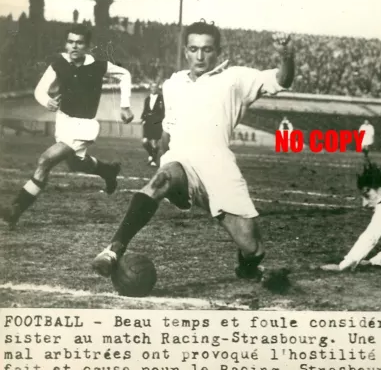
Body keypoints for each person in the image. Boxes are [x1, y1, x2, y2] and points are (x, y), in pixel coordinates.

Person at [92, 21, 295, 287]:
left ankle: (247, 268)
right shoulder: (173, 84)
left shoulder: (236, 78)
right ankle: (112, 250)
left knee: (252, 247)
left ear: (218, 51)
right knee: (160, 180)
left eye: (207, 50)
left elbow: (282, 80)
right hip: (182, 164)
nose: (200, 56)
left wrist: (286, 55)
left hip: (218, 168)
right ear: (186, 51)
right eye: (193, 49)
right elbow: (169, 129)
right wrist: (163, 157)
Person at [1, 24, 134, 229]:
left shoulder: (98, 66)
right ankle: (108, 171)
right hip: (63, 121)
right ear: (66, 43)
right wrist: (48, 102)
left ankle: (15, 209)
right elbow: (40, 90)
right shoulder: (58, 63)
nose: (74, 47)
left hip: (84, 126)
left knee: (45, 160)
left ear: (87, 46)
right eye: (70, 42)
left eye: (79, 43)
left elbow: (124, 74)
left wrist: (125, 105)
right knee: (76, 164)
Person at [140, 82, 165, 167]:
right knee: (144, 142)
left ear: (158, 88)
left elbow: (163, 112)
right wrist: (142, 118)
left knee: (154, 142)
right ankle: (151, 155)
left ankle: (154, 161)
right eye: (152, 87)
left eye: (155, 87)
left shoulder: (162, 99)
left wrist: (161, 121)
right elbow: (145, 110)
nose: (153, 89)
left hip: (157, 123)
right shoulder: (147, 99)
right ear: (150, 88)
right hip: (148, 122)